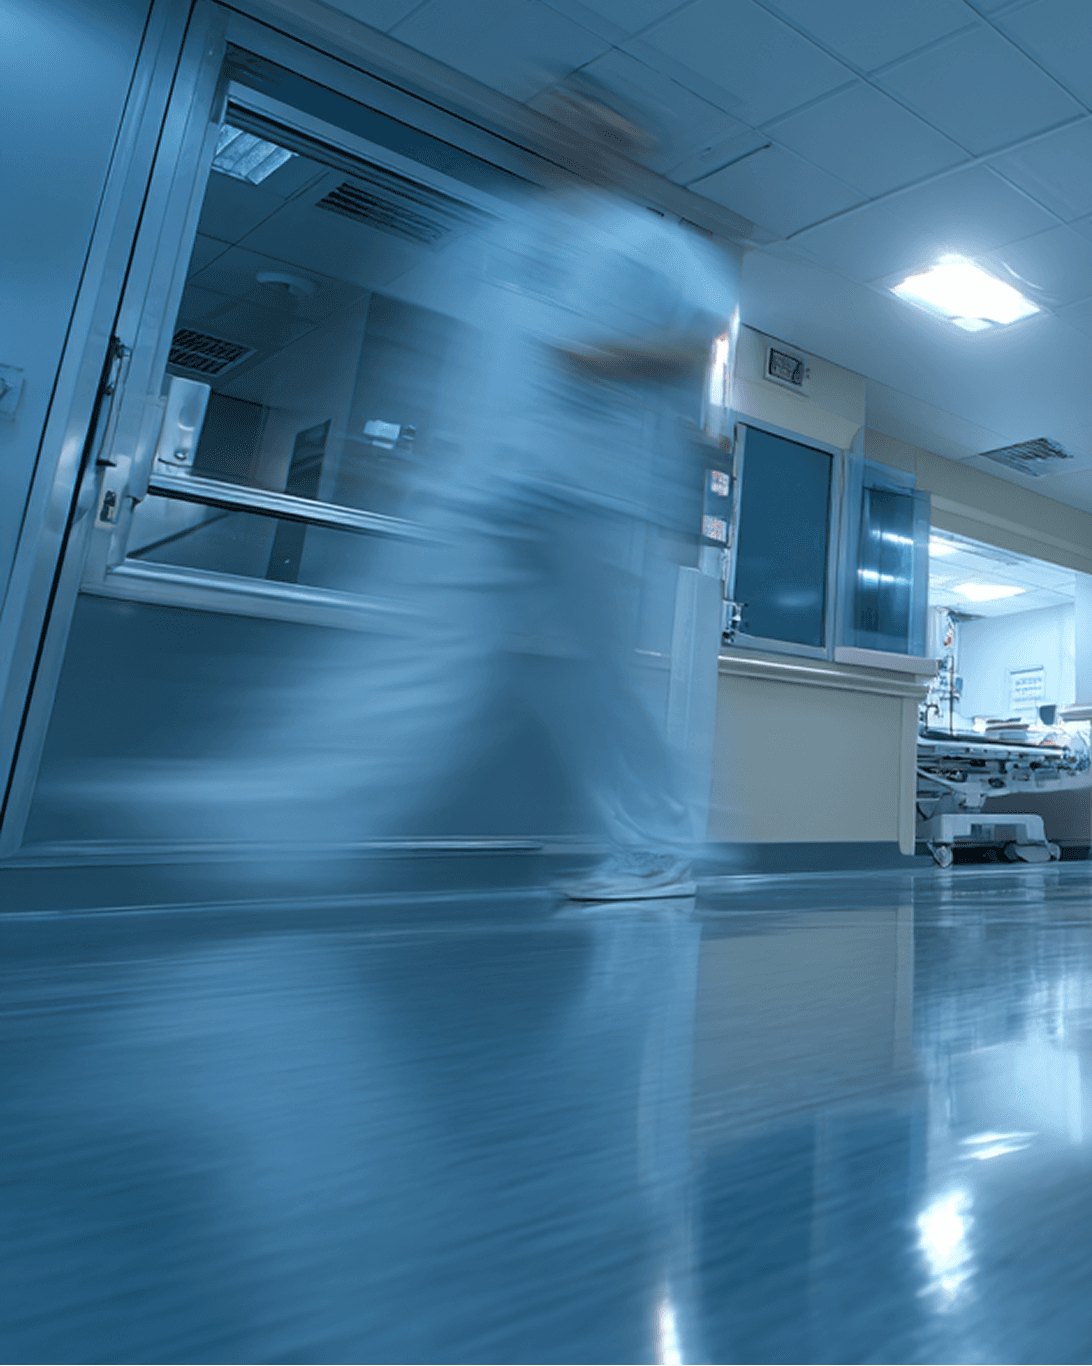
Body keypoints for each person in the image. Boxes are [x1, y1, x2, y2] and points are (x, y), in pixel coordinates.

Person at [129, 79, 737, 900]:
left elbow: (695, 342)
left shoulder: (655, 245)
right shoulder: (505, 236)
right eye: (551, 114)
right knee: (412, 650)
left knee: (598, 679)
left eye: (588, 118)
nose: (562, 128)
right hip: (487, 487)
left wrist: (607, 357)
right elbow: (452, 357)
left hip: (595, 494)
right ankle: (290, 822)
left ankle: (659, 848)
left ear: (627, 140)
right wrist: (419, 457)